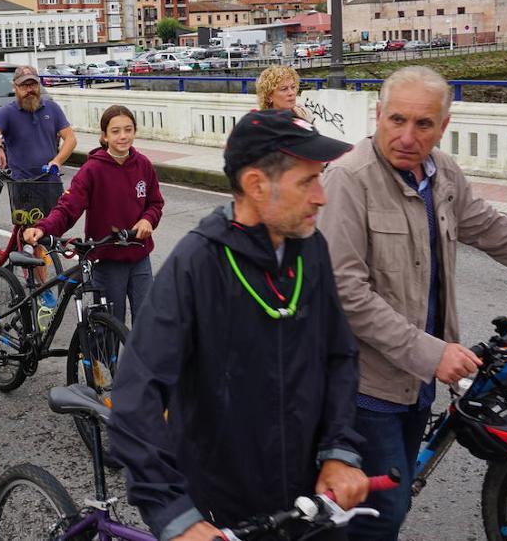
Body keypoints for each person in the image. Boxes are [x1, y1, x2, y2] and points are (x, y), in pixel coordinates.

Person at [317, 65, 507, 541]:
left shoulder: (443, 174)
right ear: (377, 115)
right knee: (381, 512)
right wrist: (434, 353)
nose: (408, 136)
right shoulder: (348, 180)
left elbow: (496, 232)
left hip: (416, 380)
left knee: (387, 496)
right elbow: (345, 293)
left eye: (423, 124)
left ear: (444, 126)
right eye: (396, 120)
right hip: (364, 384)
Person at [109, 109, 366, 541]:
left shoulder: (312, 249)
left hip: (311, 505)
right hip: (225, 511)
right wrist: (177, 516)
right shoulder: (197, 264)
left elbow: (340, 355)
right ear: (255, 185)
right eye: (307, 181)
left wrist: (340, 451)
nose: (321, 197)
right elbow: (136, 395)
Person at [23, 104, 164, 325]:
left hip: (139, 256)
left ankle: (141, 361)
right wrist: (43, 227)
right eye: (116, 131)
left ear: (135, 132)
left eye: (128, 130)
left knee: (147, 323)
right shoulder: (91, 171)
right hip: (107, 258)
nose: (123, 136)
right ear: (104, 136)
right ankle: (107, 360)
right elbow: (68, 208)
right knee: (109, 325)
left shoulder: (143, 165)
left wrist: (148, 219)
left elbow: (155, 203)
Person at [0, 65, 76, 183]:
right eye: (24, 86)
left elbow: (71, 139)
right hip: (21, 183)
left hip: (51, 180)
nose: (29, 90)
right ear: (15, 87)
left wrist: (57, 161)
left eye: (33, 85)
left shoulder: (52, 108)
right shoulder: (6, 113)